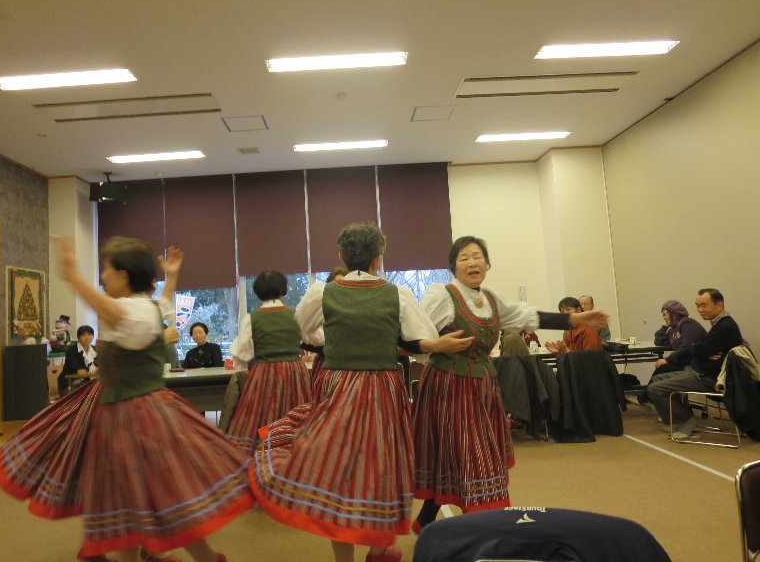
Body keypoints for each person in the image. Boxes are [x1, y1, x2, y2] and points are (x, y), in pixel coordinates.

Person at [0, 238, 254, 562]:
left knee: (146, 491)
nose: (103, 278)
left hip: (135, 415)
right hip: (129, 410)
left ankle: (201, 557)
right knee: (138, 493)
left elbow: (114, 311)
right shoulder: (144, 308)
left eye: (107, 270)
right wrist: (172, 275)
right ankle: (195, 556)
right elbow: (159, 303)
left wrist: (72, 275)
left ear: (124, 275)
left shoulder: (134, 312)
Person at [250, 222, 474, 562]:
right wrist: (428, 344)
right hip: (383, 389)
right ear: (378, 258)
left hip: (338, 386)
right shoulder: (396, 294)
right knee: (381, 466)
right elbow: (420, 341)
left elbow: (305, 333)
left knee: (336, 470)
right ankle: (379, 548)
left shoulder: (322, 293)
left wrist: (337, 340)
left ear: (341, 256)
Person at [412, 237, 608, 534]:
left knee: (471, 455)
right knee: (465, 455)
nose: (472, 262)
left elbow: (526, 316)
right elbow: (415, 334)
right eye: (464, 258)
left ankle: (429, 520)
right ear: (453, 266)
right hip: (449, 386)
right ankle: (480, 529)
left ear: (487, 263)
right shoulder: (441, 295)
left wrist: (575, 318)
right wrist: (436, 344)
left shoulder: (491, 300)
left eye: (478, 256)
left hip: (482, 388)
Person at [226, 269, 312, 452]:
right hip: (294, 371)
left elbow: (242, 353)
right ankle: (293, 447)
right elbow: (311, 338)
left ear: (258, 292)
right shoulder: (296, 315)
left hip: (264, 372)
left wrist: (244, 368)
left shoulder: (252, 318)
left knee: (265, 412)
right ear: (283, 290)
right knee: (295, 410)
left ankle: (266, 445)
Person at [646, 288, 744, 439]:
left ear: (719, 305)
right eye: (697, 306)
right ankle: (679, 419)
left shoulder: (725, 326)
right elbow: (698, 349)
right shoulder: (718, 324)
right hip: (698, 371)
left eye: (704, 305)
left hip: (708, 378)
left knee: (655, 388)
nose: (700, 310)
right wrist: (700, 349)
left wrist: (699, 349)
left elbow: (695, 350)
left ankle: (686, 422)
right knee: (657, 378)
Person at [631, 300, 709, 406]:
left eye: (665, 314)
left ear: (673, 313)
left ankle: (646, 397)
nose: (663, 317)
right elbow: (659, 341)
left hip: (695, 366)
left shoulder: (687, 323)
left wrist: (667, 359)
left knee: (663, 368)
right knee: (662, 368)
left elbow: (687, 348)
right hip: (684, 362)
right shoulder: (673, 329)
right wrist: (665, 326)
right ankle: (647, 397)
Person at [307, 265, 348, 388]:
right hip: (325, 363)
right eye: (336, 284)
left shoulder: (356, 308)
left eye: (343, 284)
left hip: (349, 365)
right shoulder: (321, 307)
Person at [58, 325, 97, 396]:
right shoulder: (71, 351)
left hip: (87, 383)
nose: (87, 338)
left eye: (89, 335)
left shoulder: (94, 350)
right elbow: (78, 371)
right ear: (78, 338)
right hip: (69, 385)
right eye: (83, 335)